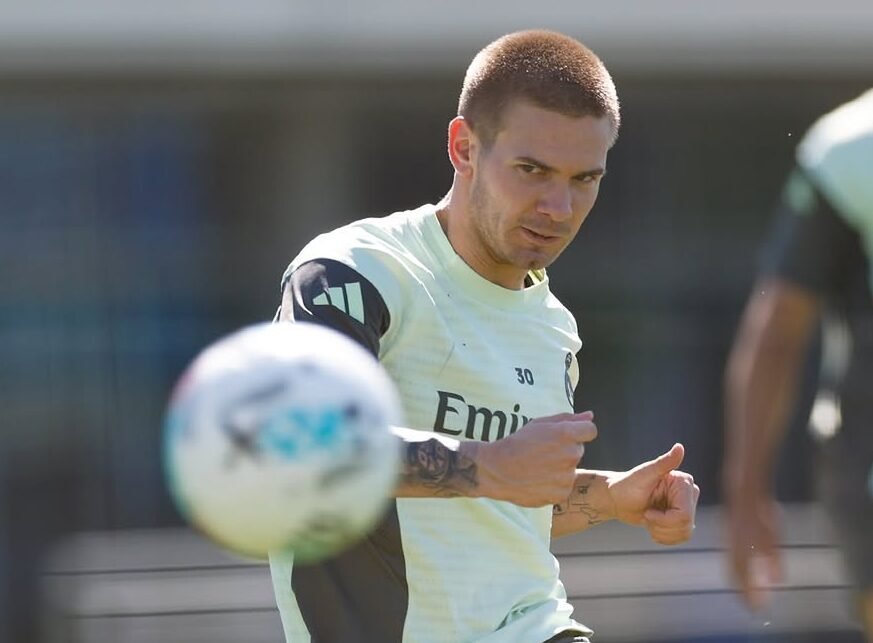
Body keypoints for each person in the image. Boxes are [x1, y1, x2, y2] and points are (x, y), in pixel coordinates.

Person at [270, 30, 700, 643]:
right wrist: (490, 465)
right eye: (532, 170)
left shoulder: (552, 323)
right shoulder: (353, 271)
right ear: (464, 147)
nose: (559, 206)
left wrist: (608, 497)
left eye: (584, 179)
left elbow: (499, 504)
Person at [723, 88, 873, 640]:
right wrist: (747, 491)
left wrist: (747, 492)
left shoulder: (853, 145)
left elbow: (777, 330)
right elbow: (778, 332)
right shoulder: (853, 149)